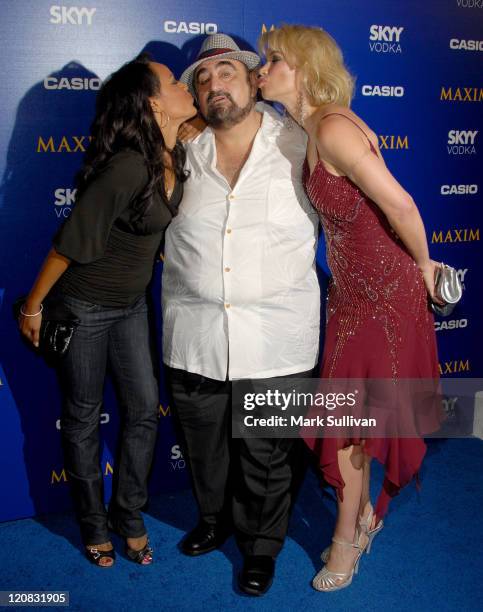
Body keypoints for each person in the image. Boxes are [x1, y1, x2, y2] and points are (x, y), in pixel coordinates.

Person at [258, 24, 440, 591]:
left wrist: (427, 267)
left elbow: (402, 204)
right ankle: (359, 517)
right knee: (349, 418)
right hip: (350, 294)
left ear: (305, 72)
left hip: (385, 294)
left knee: (350, 421)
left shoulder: (334, 128)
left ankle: (346, 538)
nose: (262, 72)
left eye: (273, 62)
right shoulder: (308, 126)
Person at [19, 54, 196, 567]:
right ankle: (94, 525)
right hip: (83, 307)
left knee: (143, 410)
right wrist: (34, 310)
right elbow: (67, 246)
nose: (184, 84)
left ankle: (130, 515)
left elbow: (222, 111)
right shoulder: (127, 166)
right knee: (80, 419)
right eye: (171, 81)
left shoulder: (172, 148)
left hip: (131, 306)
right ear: (152, 102)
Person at [162, 34, 320, 595]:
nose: (213, 86)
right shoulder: (179, 150)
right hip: (194, 332)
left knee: (268, 455)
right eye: (201, 80)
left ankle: (260, 547)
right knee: (205, 447)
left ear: (254, 78)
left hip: (277, 336)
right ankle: (214, 519)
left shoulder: (305, 142)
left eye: (225, 72)